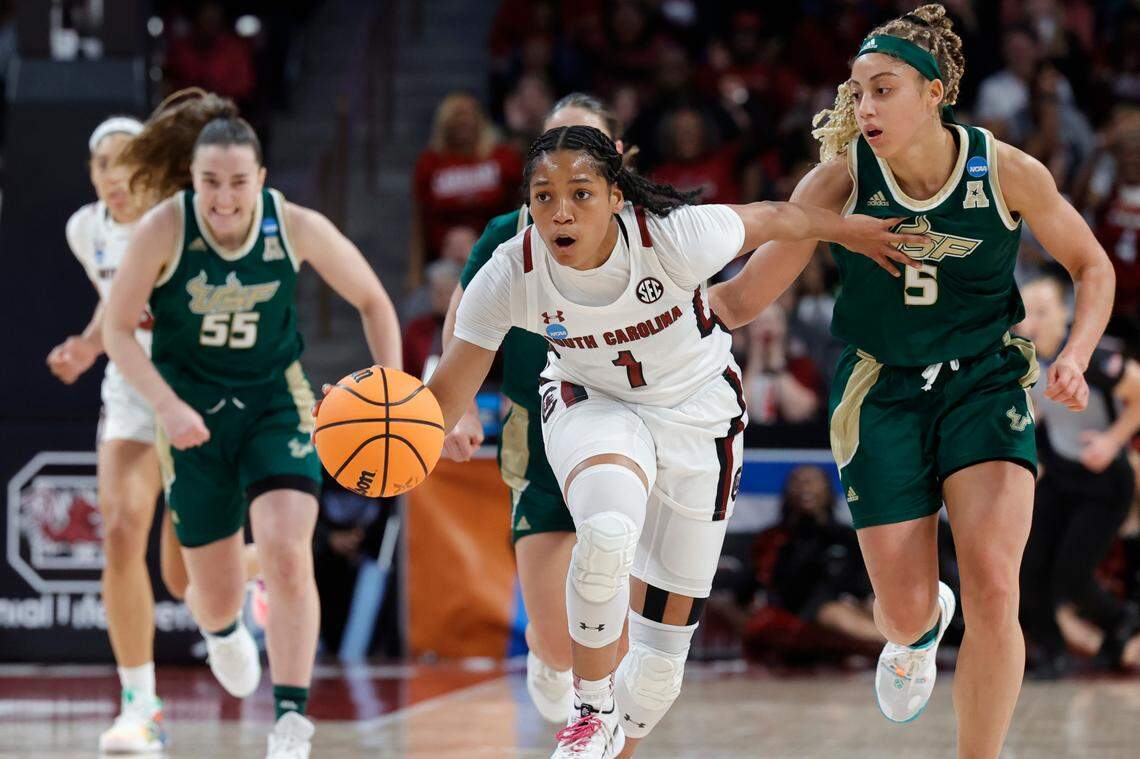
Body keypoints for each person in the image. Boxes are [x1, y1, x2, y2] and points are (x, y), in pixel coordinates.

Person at [429, 123, 918, 758]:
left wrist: (851, 232)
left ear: (615, 197)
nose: (560, 212)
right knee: (606, 533)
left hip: (699, 414)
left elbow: (779, 218)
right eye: (544, 196)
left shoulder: (672, 235)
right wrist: (379, 420)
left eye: (580, 193)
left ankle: (616, 728)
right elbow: (444, 396)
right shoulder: (510, 272)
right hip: (591, 402)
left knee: (658, 675)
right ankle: (590, 709)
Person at [708, 5, 1115, 756]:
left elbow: (1092, 264)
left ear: (934, 93)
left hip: (985, 381)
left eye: (883, 89)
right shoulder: (838, 181)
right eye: (857, 91)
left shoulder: (1006, 170)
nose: (864, 107)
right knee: (900, 613)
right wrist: (638, 297)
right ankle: (919, 631)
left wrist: (1076, 353)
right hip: (882, 388)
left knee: (996, 586)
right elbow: (739, 300)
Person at [104, 91, 401, 759]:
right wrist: (166, 405)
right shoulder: (164, 228)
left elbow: (373, 300)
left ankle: (291, 723)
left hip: (274, 404)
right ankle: (224, 629)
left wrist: (390, 386)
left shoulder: (292, 224)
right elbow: (119, 330)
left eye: (238, 182)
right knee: (206, 598)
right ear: (194, 180)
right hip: (192, 416)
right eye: (211, 182)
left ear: (260, 179)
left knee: (288, 549)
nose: (225, 198)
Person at [440, 93, 630, 726]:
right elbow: (464, 315)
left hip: (626, 424)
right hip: (539, 429)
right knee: (557, 643)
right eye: (552, 144)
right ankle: (546, 657)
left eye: (584, 144)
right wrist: (458, 408)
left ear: (616, 159)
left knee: (616, 644)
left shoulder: (650, 230)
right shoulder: (507, 233)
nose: (565, 158)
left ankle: (600, 728)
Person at [47, 115, 169, 754]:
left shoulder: (180, 219)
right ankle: (140, 705)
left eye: (127, 162)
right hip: (131, 390)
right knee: (120, 529)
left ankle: (247, 582)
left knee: (195, 576)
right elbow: (113, 296)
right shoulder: (85, 228)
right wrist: (89, 346)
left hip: (197, 387)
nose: (114, 176)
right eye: (102, 164)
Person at [1017, 277, 1140, 677]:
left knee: (1071, 576)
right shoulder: (1023, 360)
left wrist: (1112, 440)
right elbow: (1037, 411)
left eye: (1043, 311)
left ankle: (1121, 620)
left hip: (1105, 483)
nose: (1033, 322)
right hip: (1061, 477)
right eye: (1026, 313)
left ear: (1064, 314)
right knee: (1028, 567)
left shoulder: (1091, 357)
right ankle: (1051, 652)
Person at [410, 92, 523, 287]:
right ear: (444, 124)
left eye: (468, 116)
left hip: (497, 257)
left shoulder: (504, 158)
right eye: (456, 116)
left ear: (481, 121)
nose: (463, 122)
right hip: (443, 264)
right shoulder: (430, 163)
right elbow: (419, 221)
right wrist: (414, 272)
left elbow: (521, 209)